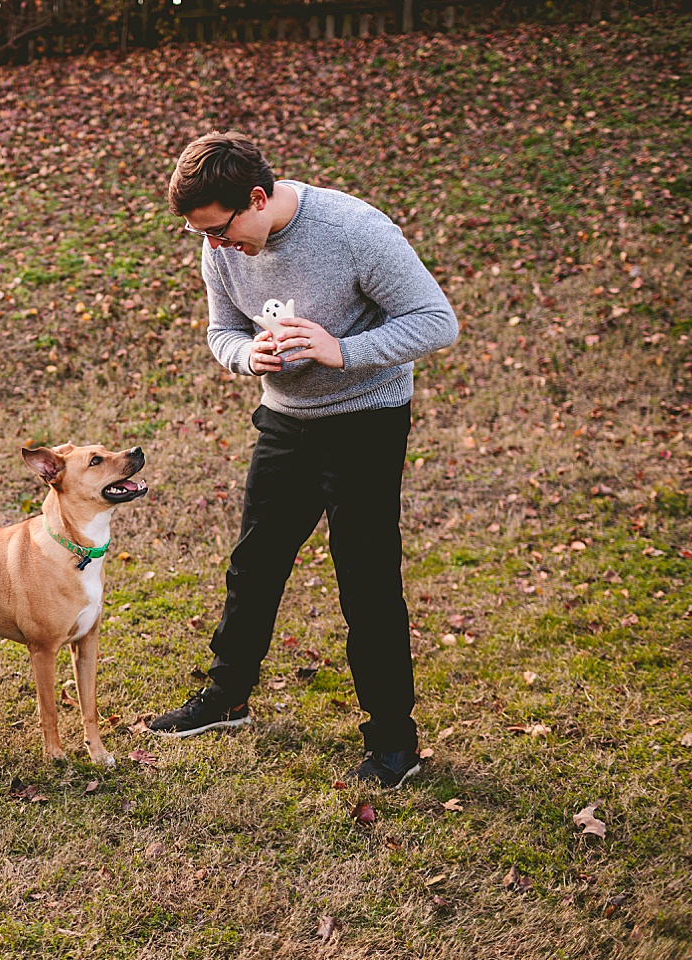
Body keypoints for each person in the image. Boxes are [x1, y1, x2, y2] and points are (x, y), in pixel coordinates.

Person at [147, 131, 458, 789]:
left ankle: (394, 743)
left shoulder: (355, 231)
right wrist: (243, 356)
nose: (214, 247)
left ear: (257, 198)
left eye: (222, 231)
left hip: (366, 424)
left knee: (366, 583)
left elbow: (436, 321)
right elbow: (222, 331)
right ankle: (227, 698)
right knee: (254, 565)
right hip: (285, 423)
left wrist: (341, 350)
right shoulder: (219, 247)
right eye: (200, 234)